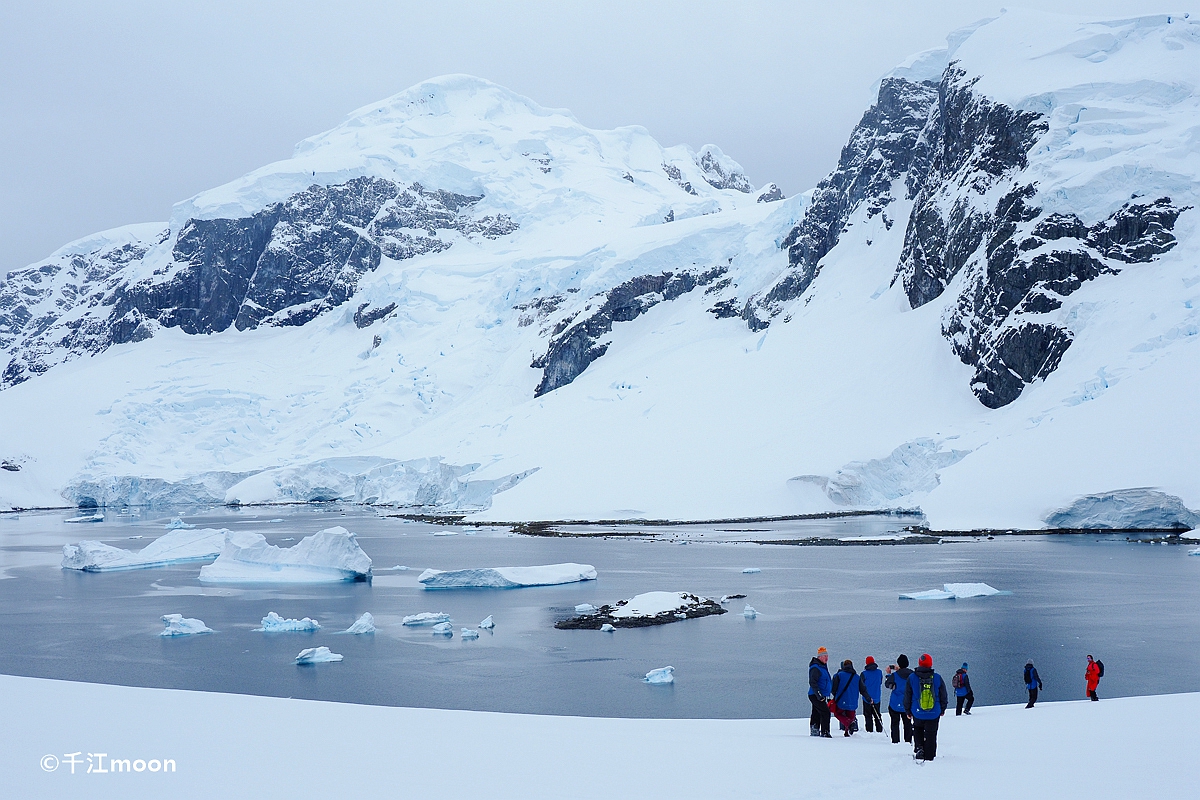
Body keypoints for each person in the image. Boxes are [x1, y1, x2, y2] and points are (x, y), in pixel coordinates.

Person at [903, 653, 948, 761]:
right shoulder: (937, 678)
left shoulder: (912, 678)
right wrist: (942, 708)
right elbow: (943, 695)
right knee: (931, 733)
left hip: (917, 712)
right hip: (934, 712)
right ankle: (930, 755)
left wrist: (908, 710)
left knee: (918, 729)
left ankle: (919, 748)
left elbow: (907, 696)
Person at [885, 656, 914, 744]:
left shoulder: (895, 675)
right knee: (907, 723)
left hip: (895, 703)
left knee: (894, 723)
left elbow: (888, 685)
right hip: (908, 704)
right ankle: (908, 741)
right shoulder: (912, 675)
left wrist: (889, 674)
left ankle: (895, 741)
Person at [830, 659, 861, 736]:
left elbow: (833, 688)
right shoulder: (857, 677)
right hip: (853, 702)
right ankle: (847, 731)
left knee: (837, 713)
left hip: (841, 701)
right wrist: (868, 698)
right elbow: (863, 689)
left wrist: (836, 696)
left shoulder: (838, 675)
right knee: (850, 716)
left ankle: (850, 724)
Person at [808, 646, 833, 737]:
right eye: (824, 656)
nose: (826, 658)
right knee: (825, 712)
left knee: (816, 712)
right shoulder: (816, 667)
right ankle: (825, 732)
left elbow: (826, 681)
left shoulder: (822, 666)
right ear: (819, 657)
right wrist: (819, 695)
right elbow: (812, 682)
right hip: (816, 695)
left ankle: (815, 730)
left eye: (827, 655)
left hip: (820, 694)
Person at [860, 656, 884, 732]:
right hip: (877, 697)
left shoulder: (864, 674)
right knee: (877, 715)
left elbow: (861, 685)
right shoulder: (879, 672)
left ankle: (869, 731)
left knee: (868, 716)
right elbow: (880, 682)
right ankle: (879, 730)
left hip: (867, 698)